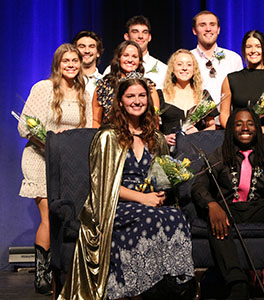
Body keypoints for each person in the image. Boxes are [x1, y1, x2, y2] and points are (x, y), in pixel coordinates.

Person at [58, 75, 194, 300]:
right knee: (148, 218)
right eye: (130, 96)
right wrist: (143, 199)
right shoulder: (107, 137)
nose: (137, 101)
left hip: (150, 201)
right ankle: (137, 288)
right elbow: (103, 187)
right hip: (113, 205)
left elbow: (161, 177)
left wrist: (160, 192)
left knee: (175, 216)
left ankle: (173, 284)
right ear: (120, 101)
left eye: (142, 96)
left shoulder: (157, 138)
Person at [192, 107, 264, 300]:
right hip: (229, 209)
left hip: (259, 207)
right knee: (214, 218)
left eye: (250, 123)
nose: (245, 128)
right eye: (238, 124)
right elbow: (199, 185)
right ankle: (237, 284)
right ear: (231, 129)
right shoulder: (219, 154)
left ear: (257, 128)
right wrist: (211, 205)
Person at [17, 43, 92, 295]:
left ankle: (66, 270)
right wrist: (52, 139)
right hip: (40, 159)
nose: (71, 65)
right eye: (66, 61)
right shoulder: (43, 88)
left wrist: (72, 140)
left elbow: (89, 129)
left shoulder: (85, 92)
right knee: (48, 216)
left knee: (67, 217)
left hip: (69, 164)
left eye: (75, 61)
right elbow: (25, 127)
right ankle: (42, 274)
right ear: (57, 64)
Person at [191, 10, 243, 125]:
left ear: (218, 29)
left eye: (212, 25)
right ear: (194, 30)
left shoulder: (233, 58)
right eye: (202, 25)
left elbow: (241, 94)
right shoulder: (186, 59)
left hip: (229, 125)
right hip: (196, 127)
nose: (208, 29)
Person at [93, 40, 160, 128]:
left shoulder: (148, 87)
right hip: (110, 136)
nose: (130, 60)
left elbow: (154, 120)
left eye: (134, 56)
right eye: (126, 55)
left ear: (139, 60)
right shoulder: (103, 86)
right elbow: (96, 120)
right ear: (118, 58)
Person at [158, 49, 218, 147]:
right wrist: (164, 138)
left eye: (189, 65)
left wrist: (199, 134)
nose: (184, 68)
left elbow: (212, 126)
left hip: (196, 151)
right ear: (172, 68)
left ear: (194, 69)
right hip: (169, 155)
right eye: (180, 64)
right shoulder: (160, 95)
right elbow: (151, 127)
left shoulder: (203, 95)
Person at [104, 15, 167, 89]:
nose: (140, 36)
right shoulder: (112, 70)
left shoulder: (163, 69)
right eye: (135, 32)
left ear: (149, 37)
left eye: (144, 32)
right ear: (126, 37)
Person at [72, 30, 104, 99]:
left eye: (91, 46)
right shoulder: (68, 82)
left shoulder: (105, 82)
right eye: (82, 46)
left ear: (98, 52)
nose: (87, 51)